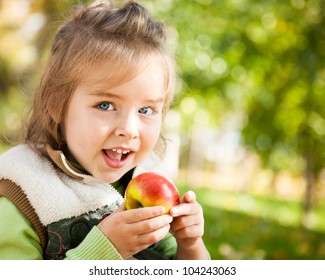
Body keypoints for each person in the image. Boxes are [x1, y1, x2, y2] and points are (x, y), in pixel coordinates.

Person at [0, 0, 209, 260]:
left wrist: (190, 245)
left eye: (146, 110)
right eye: (106, 105)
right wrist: (104, 251)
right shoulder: (22, 195)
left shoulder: (144, 181)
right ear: (56, 104)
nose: (129, 130)